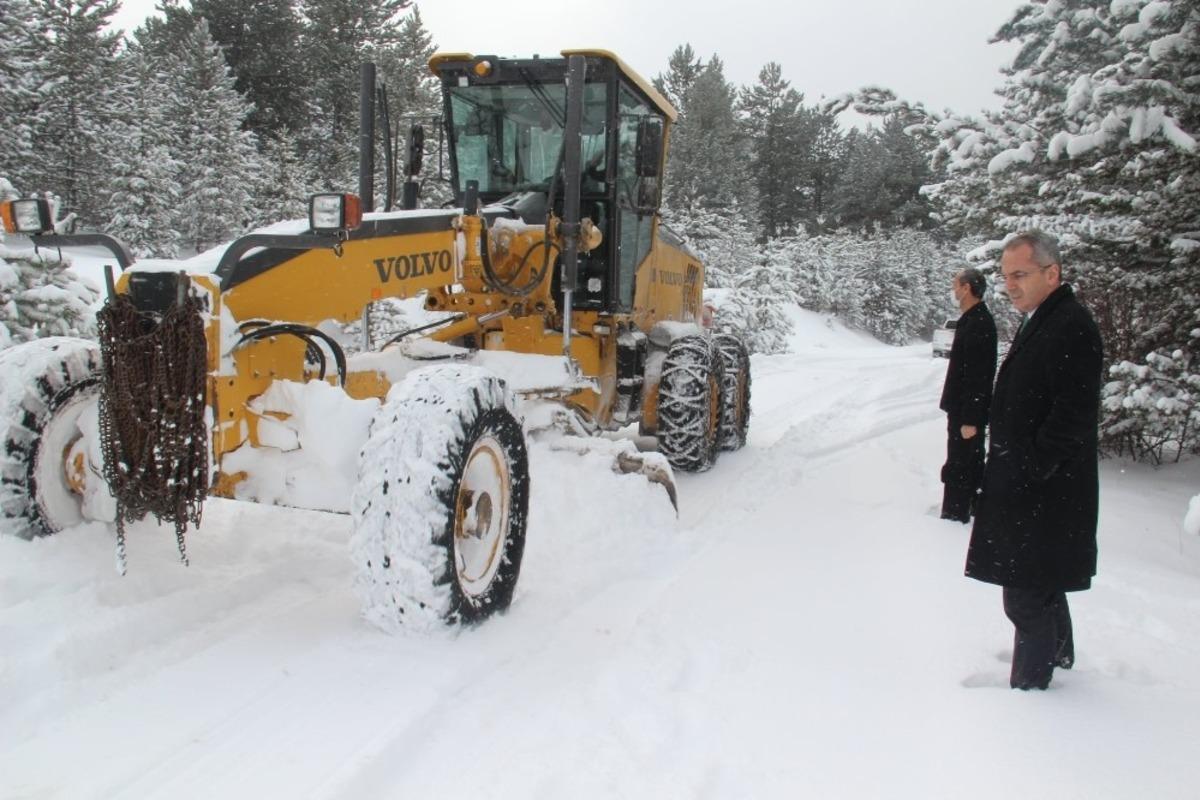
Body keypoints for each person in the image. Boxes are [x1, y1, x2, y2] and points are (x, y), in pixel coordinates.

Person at [965, 230, 1104, 691]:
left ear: (1052, 272)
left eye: (1020, 275)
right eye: (1006, 277)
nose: (1011, 285)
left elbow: (1073, 414)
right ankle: (1059, 658)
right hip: (1037, 488)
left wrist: (1032, 468)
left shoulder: (1070, 326)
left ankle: (1033, 691)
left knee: (1025, 597)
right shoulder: (1045, 318)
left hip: (1045, 491)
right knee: (1042, 584)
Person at [939, 267, 997, 523]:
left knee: (963, 463)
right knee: (962, 460)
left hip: (967, 413)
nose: (953, 290)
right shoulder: (971, 319)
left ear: (967, 288)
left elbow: (979, 376)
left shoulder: (979, 323)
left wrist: (971, 419)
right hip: (961, 409)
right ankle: (966, 506)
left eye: (956, 285)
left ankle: (957, 513)